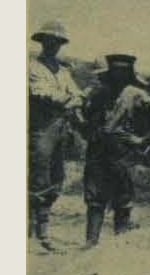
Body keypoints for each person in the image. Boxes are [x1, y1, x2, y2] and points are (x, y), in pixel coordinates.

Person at [82, 54, 150, 247]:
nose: (118, 75)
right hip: (97, 148)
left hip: (122, 150)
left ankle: (120, 242)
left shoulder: (135, 93)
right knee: (94, 195)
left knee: (122, 196)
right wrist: (88, 129)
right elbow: (82, 114)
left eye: (123, 71)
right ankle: (91, 242)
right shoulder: (99, 91)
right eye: (115, 71)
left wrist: (142, 140)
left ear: (128, 73)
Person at [29, 21, 84, 251]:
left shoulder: (63, 71)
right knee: (38, 178)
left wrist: (71, 100)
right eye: (49, 41)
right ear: (42, 42)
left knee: (57, 178)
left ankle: (40, 227)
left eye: (57, 42)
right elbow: (41, 93)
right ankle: (38, 232)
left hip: (60, 128)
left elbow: (79, 95)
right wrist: (68, 100)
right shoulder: (32, 67)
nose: (53, 46)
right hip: (40, 127)